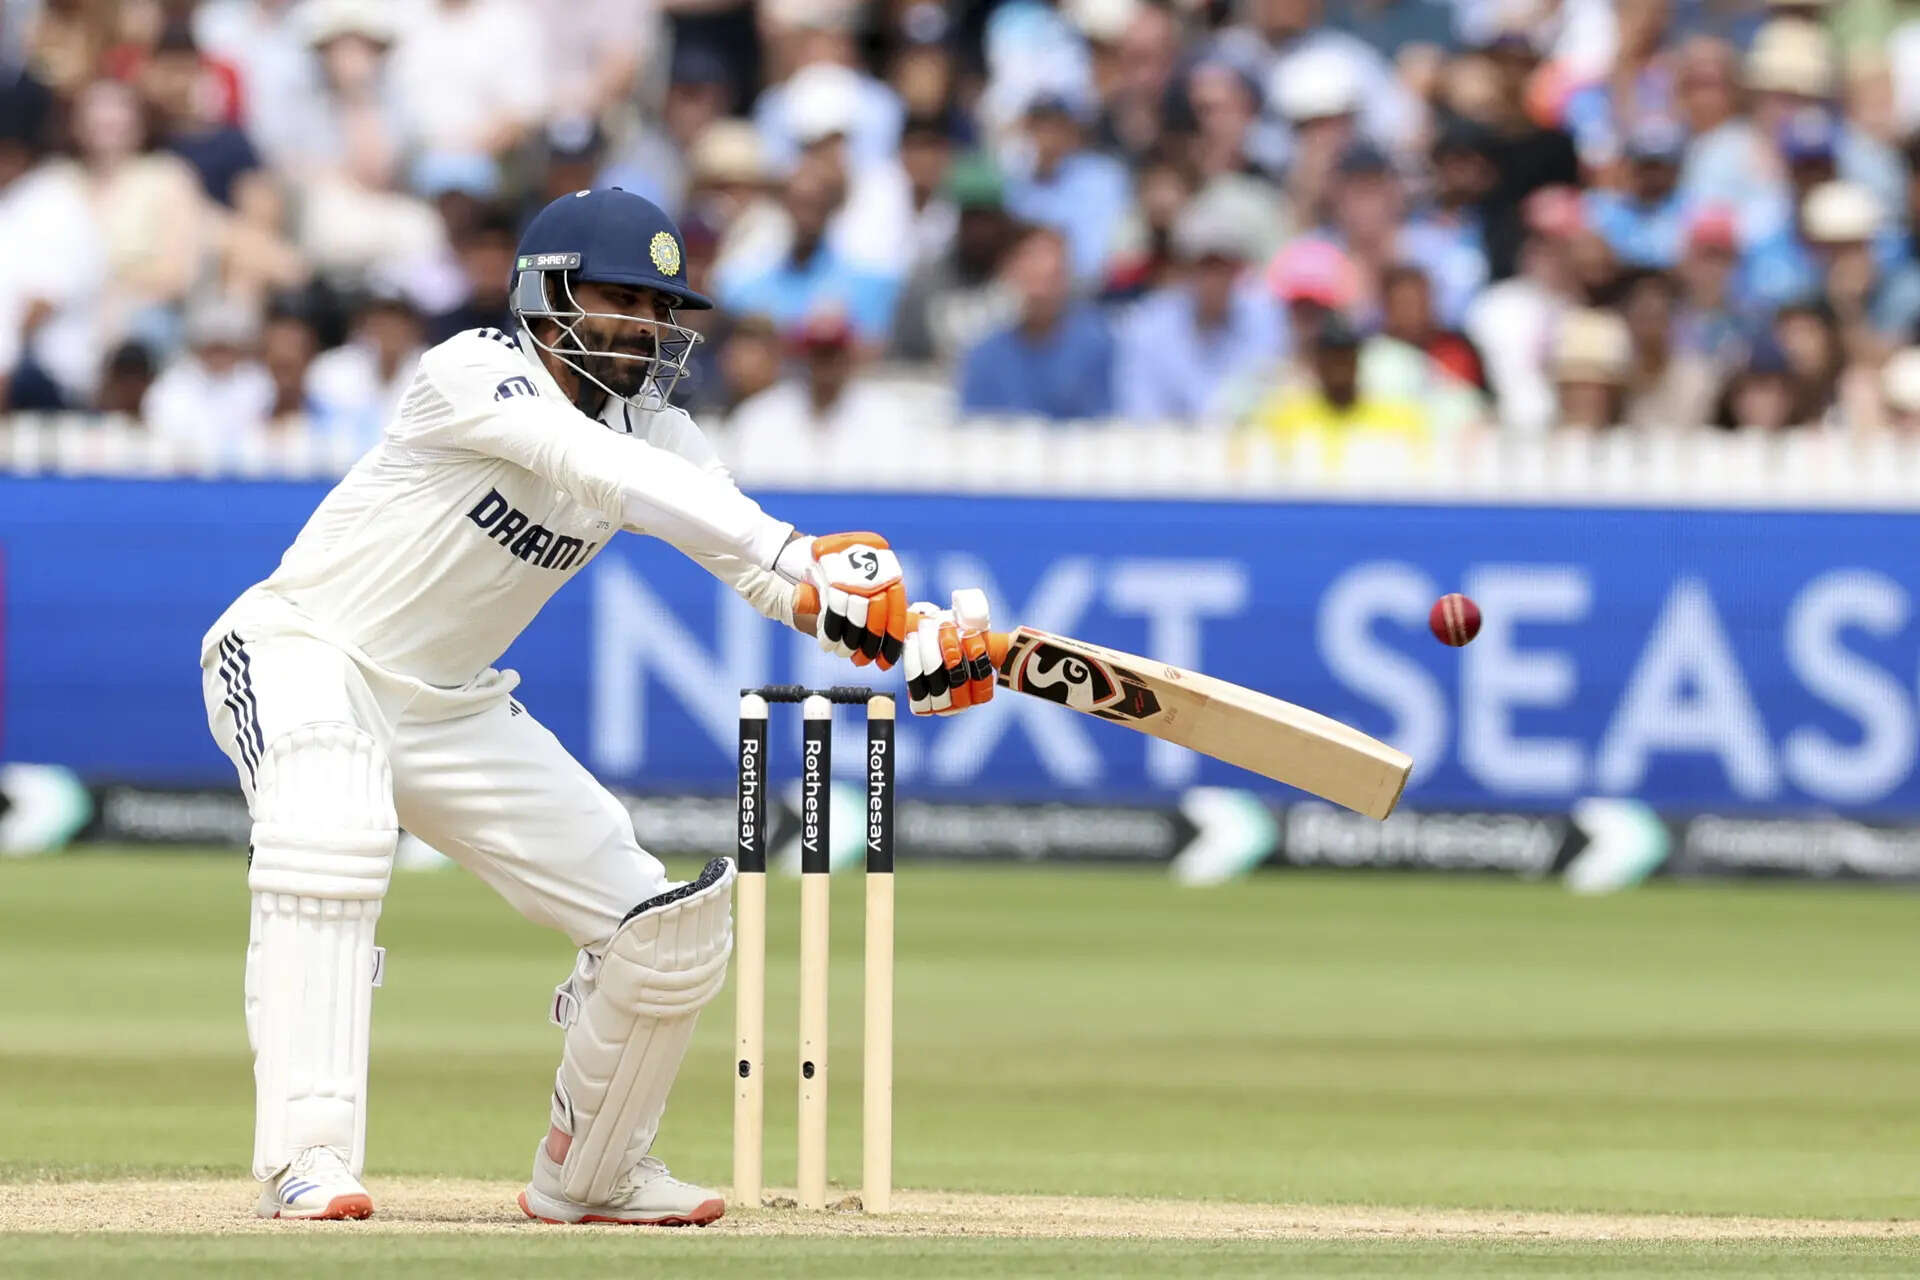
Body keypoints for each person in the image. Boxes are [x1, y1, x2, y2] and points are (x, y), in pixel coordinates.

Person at [198, 189, 996, 1226]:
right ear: (550, 294)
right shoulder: (471, 371)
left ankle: (592, 1172)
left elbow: (765, 575)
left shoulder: (660, 431)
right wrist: (798, 552)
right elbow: (597, 468)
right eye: (624, 299)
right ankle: (305, 1157)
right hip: (304, 652)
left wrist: (910, 632)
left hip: (448, 708)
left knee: (663, 930)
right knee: (330, 824)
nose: (649, 326)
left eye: (662, 308)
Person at [1113, 192, 1280, 422]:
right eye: (1205, 266)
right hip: (1168, 444)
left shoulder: (1266, 319)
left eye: (1223, 266)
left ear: (1237, 269)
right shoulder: (1148, 327)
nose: (1214, 279)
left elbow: (1275, 404)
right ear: (1185, 269)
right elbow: (1141, 416)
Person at [958, 223, 1114, 419]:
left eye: (1052, 272)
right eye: (1032, 267)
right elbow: (972, 424)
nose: (1042, 273)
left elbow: (1105, 422)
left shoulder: (1097, 346)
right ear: (1010, 271)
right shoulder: (985, 355)